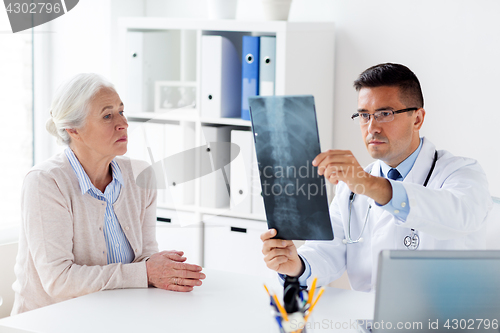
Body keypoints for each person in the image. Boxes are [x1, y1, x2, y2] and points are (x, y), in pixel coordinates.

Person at [261, 63, 492, 292]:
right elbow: (326, 252)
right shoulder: (352, 188)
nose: (372, 127)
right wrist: (296, 266)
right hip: (369, 321)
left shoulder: (462, 173)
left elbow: (460, 215)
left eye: (385, 114)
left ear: (417, 119)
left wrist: (370, 185)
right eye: (364, 115)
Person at [12, 73, 205, 314]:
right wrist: (145, 272)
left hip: (115, 316)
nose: (122, 123)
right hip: (51, 321)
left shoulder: (140, 175)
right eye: (107, 115)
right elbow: (58, 281)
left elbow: (145, 257)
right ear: (74, 130)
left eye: (121, 111)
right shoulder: (46, 182)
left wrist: (162, 269)